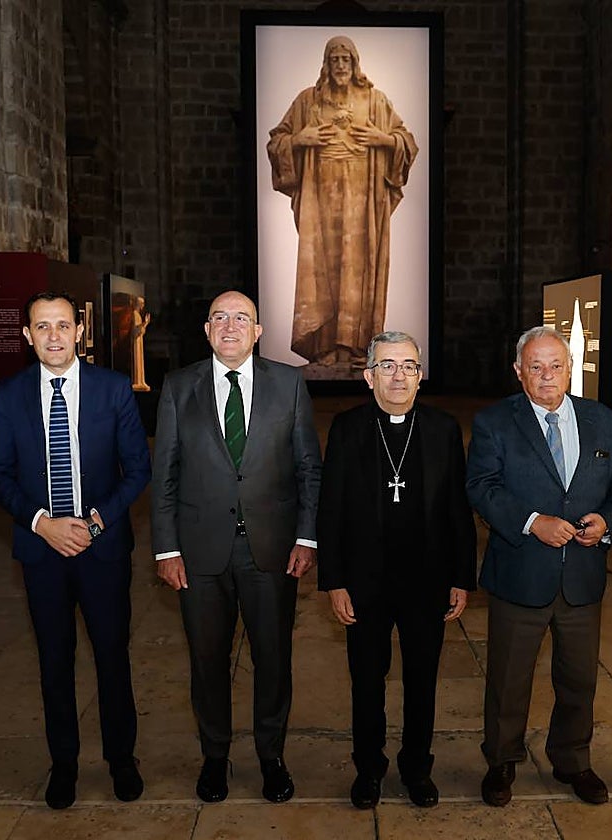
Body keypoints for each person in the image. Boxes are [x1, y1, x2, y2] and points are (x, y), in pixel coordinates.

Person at [150, 290, 322, 804]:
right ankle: (215, 758)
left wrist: (306, 536)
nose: (230, 326)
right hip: (199, 555)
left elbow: (309, 466)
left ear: (258, 330)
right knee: (207, 660)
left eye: (241, 318)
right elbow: (165, 477)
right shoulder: (180, 387)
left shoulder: (289, 384)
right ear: (206, 331)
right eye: (220, 318)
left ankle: (271, 757)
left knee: (273, 659)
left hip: (271, 551)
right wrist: (165, 549)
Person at [0, 291, 151, 809]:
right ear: (27, 335)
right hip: (42, 554)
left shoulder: (113, 389)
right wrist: (42, 524)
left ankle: (122, 762)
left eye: (62, 325)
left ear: (79, 331)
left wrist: (94, 524)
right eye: (42, 327)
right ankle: (64, 766)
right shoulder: (9, 394)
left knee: (112, 658)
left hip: (101, 551)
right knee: (54, 662)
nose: (53, 336)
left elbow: (138, 470)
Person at [466, 325, 612, 808]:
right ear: (519, 371)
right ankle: (500, 761)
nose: (547, 375)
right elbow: (481, 485)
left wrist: (607, 521)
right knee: (509, 678)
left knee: (579, 677)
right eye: (535, 366)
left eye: (556, 365)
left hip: (583, 574)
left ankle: (572, 760)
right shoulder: (495, 422)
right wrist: (531, 521)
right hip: (521, 573)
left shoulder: (604, 421)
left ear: (571, 368)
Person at [317, 331, 477, 809]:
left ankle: (415, 768)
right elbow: (331, 510)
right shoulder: (346, 429)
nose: (399, 375)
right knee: (366, 681)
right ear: (368, 377)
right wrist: (334, 580)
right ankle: (368, 768)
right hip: (365, 582)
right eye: (387, 366)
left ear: (420, 375)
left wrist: (461, 577)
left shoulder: (444, 428)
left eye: (408, 365)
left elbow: (457, 509)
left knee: (423, 680)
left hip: (426, 580)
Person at [267, 35, 418, 367]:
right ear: (326, 63)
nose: (340, 65)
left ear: (355, 63)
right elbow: (277, 139)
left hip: (362, 202)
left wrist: (383, 139)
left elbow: (407, 141)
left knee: (357, 272)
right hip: (321, 200)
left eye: (345, 59)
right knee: (322, 271)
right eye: (334, 59)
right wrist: (300, 139)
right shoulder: (309, 100)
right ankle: (325, 349)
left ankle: (354, 348)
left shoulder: (375, 101)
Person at [131, 296, 151, 392]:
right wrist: (144, 323)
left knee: (140, 359)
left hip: (139, 340)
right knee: (137, 359)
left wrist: (145, 324)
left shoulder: (138, 315)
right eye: (141, 303)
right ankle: (138, 381)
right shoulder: (135, 314)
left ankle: (140, 381)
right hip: (136, 341)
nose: (142, 306)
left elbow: (141, 330)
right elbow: (135, 330)